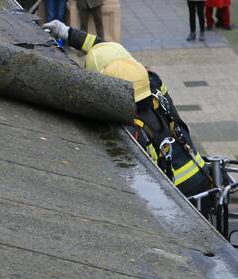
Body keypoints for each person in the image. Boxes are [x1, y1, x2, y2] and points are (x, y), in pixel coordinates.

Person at [42, 19, 216, 207]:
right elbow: (108, 50)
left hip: (180, 198)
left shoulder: (129, 128)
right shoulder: (152, 83)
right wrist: (68, 33)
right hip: (202, 177)